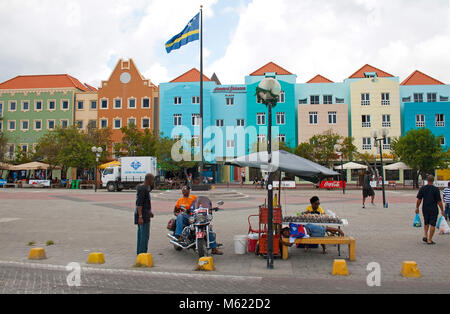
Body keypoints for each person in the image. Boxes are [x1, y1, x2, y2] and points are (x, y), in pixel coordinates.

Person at [174, 186, 223, 255]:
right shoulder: (180, 200)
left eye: (185, 190)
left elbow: (201, 205)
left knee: (207, 226)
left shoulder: (194, 198)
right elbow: (175, 211)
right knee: (180, 216)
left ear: (189, 191)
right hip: (186, 216)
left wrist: (208, 208)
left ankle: (214, 248)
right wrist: (179, 213)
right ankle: (179, 236)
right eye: (183, 190)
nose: (184, 192)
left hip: (194, 215)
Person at [416, 175, 445, 245]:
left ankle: (425, 235)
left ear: (427, 180)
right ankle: (430, 239)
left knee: (426, 222)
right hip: (433, 208)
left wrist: (417, 208)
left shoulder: (422, 188)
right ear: (433, 181)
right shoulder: (436, 189)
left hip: (425, 208)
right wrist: (442, 210)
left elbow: (419, 199)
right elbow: (439, 201)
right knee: (432, 224)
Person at [135, 174, 155, 255]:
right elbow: (139, 204)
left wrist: (149, 212)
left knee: (141, 234)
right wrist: (140, 217)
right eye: (152, 180)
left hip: (145, 214)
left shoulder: (143, 188)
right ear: (149, 180)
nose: (153, 181)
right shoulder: (143, 189)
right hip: (143, 216)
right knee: (144, 235)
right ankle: (142, 253)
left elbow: (145, 203)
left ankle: (139, 252)